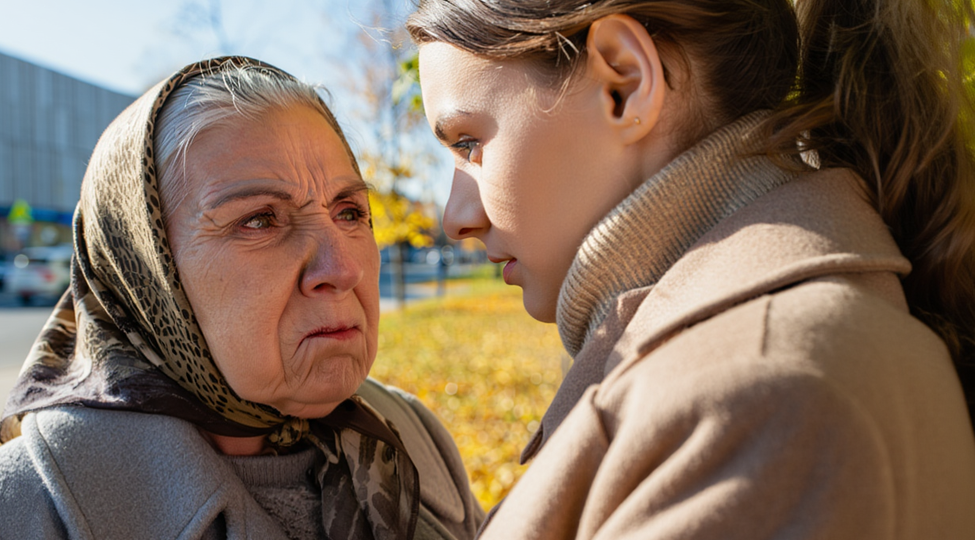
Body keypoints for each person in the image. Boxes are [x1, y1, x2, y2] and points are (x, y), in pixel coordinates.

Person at [408, 0, 975, 537]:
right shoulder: (760, 365)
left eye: (468, 143)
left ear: (623, 84)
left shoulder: (754, 401)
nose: (455, 218)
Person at [0, 57, 484, 540]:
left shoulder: (410, 438)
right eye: (260, 219)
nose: (340, 268)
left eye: (350, 213)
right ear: (145, 274)